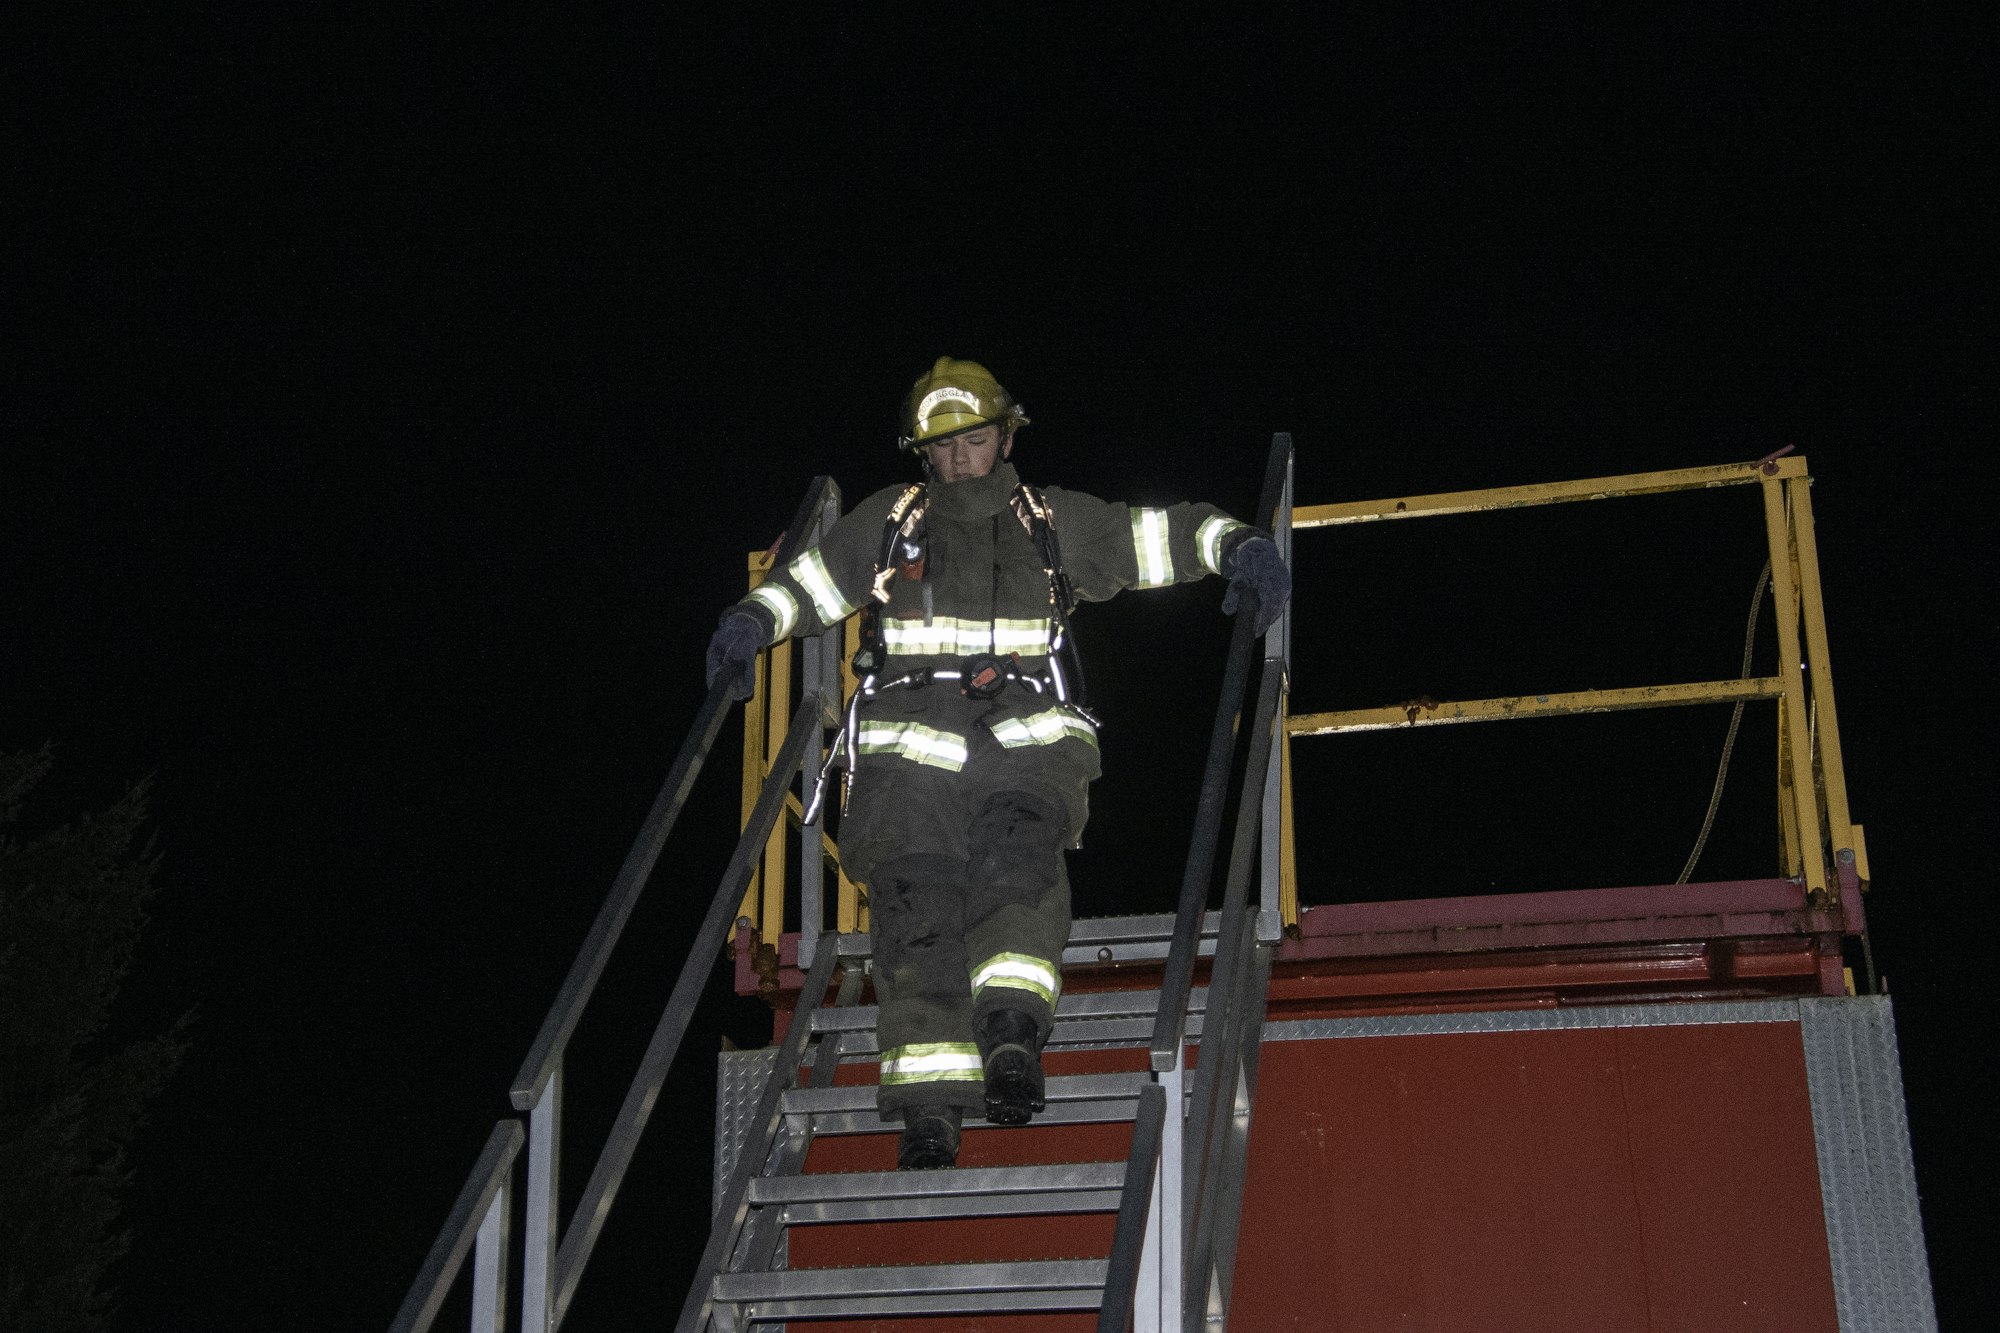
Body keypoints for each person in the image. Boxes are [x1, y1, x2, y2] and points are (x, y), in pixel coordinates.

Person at [706, 357, 1290, 1169]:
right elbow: (811, 583)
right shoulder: (890, 520)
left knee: (1016, 866)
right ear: (921, 451)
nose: (958, 461)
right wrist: (748, 623)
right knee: (916, 911)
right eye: (942, 448)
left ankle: (1012, 1034)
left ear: (1006, 436)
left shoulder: (1048, 521)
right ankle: (929, 1109)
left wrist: (1237, 545)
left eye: (974, 441)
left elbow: (1149, 535)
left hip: (1026, 742)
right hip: (907, 760)